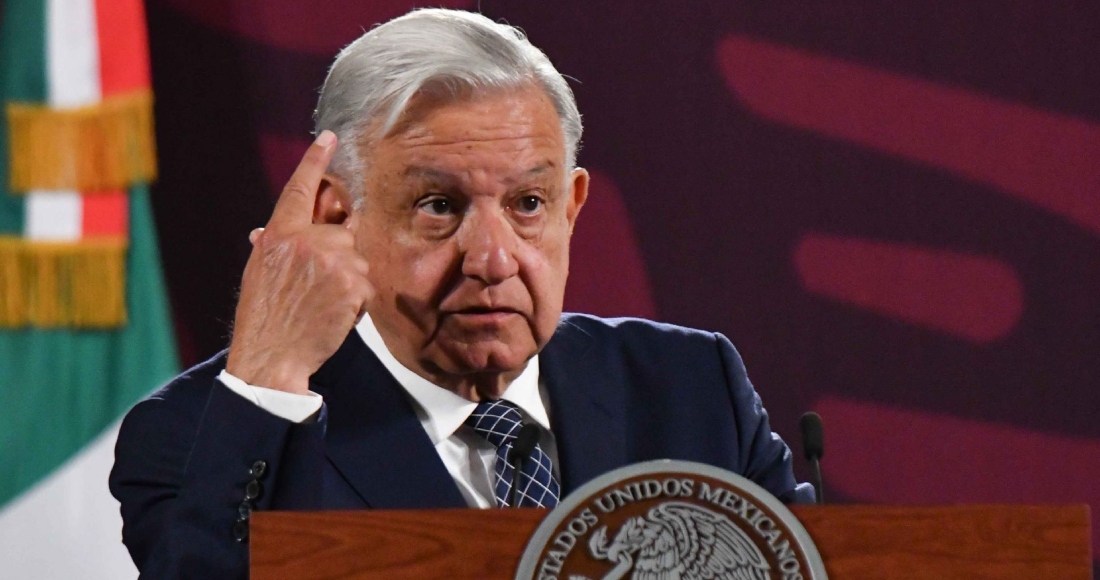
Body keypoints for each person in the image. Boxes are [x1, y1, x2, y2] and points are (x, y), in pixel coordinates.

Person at [110, 8, 812, 577]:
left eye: (528, 203)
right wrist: (267, 381)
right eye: (438, 206)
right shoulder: (200, 434)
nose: (493, 258)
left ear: (571, 207)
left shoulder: (690, 386)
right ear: (333, 215)